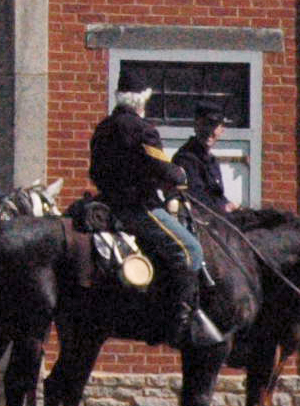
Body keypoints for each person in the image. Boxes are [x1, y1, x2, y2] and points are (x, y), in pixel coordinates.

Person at [88, 87, 220, 350]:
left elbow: (94, 171)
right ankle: (181, 322)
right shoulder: (143, 129)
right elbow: (162, 166)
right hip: (138, 207)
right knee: (190, 249)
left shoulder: (103, 127)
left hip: (106, 204)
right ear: (142, 101)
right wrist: (180, 175)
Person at [172, 102, 232, 214]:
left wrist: (229, 205)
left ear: (222, 129)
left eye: (213, 126)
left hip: (218, 219)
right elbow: (196, 198)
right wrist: (223, 208)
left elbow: (217, 194)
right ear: (195, 126)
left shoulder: (211, 160)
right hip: (203, 222)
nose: (208, 131)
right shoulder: (185, 159)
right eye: (204, 125)